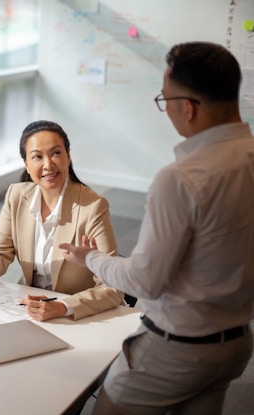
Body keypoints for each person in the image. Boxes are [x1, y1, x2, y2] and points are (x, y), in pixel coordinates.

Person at [60, 41, 254, 414]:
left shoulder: (181, 179)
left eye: (164, 101)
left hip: (176, 349)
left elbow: (146, 281)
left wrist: (93, 259)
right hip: (236, 344)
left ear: (188, 108)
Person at [0, 120, 124, 321]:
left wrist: (63, 306)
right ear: (26, 164)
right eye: (37, 156)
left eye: (56, 153)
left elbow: (114, 287)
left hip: (78, 314)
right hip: (29, 310)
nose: (48, 165)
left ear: (68, 157)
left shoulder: (93, 207)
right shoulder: (16, 196)